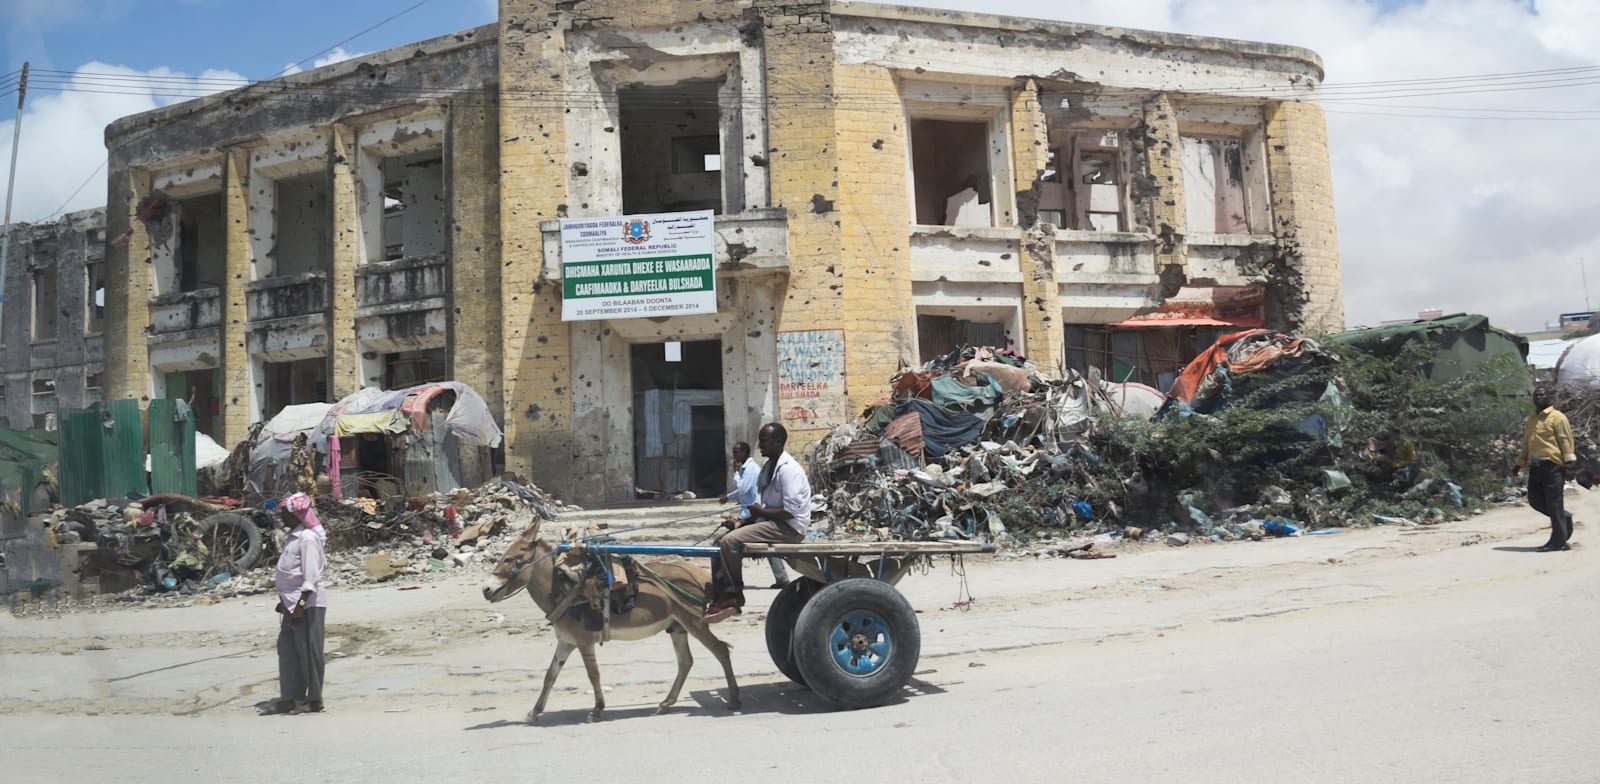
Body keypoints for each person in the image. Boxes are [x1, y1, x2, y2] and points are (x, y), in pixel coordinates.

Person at [707, 423, 810, 621]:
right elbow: (763, 506)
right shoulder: (769, 467)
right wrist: (740, 522)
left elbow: (790, 512)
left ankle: (734, 595)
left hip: (789, 528)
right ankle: (720, 596)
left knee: (730, 541)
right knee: (719, 541)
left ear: (778, 442)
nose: (760, 446)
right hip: (773, 522)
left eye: (764, 441)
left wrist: (760, 512)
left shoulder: (788, 470)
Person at [260, 492, 329, 715]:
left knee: (310, 651)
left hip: (307, 604)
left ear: (296, 514)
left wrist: (299, 606)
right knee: (288, 650)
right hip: (291, 604)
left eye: (284, 512)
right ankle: (290, 697)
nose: (281, 516)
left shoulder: (308, 539)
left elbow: (310, 578)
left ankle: (314, 700)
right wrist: (285, 602)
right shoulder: (293, 538)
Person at [720, 441, 790, 589]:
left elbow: (743, 489)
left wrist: (735, 473)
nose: (734, 455)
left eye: (737, 452)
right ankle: (781, 578)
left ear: (745, 452)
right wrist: (729, 496)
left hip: (754, 514)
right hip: (749, 512)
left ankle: (733, 582)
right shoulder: (746, 469)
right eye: (733, 452)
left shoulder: (750, 469)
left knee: (730, 542)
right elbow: (744, 490)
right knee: (767, 546)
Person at [1514, 386, 1576, 552]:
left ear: (1549, 397)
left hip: (1553, 465)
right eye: (1536, 395)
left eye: (1542, 395)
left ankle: (1558, 542)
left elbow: (1565, 441)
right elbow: (1527, 444)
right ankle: (1564, 518)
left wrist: (1570, 465)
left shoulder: (1557, 417)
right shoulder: (1531, 420)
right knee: (1535, 500)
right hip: (1535, 467)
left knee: (1554, 504)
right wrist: (1519, 464)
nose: (1538, 397)